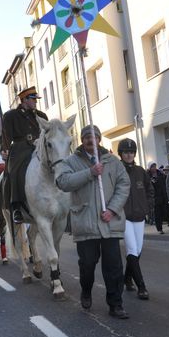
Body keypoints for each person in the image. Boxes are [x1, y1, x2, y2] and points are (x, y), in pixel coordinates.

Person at [56, 125, 130, 319]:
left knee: (114, 267)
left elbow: (123, 185)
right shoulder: (71, 161)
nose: (91, 140)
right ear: (82, 140)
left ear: (99, 139)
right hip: (85, 223)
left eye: (94, 136)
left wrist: (113, 209)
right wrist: (90, 173)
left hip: (109, 223)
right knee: (87, 265)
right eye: (87, 137)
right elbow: (62, 182)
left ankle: (116, 304)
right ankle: (86, 291)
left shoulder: (113, 161)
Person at [1, 86, 49, 223]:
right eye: (33, 99)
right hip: (20, 148)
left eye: (36, 99)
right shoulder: (11, 116)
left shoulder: (41, 116)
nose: (36, 102)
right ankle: (16, 206)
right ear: (24, 100)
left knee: (55, 164)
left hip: (40, 147)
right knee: (15, 171)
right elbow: (5, 135)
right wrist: (4, 148)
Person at [118, 138, 153, 300]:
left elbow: (149, 190)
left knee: (137, 250)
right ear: (121, 154)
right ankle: (142, 287)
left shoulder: (141, 171)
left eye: (131, 152)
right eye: (126, 152)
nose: (129, 155)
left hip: (139, 215)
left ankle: (127, 278)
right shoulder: (117, 169)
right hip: (124, 216)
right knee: (132, 249)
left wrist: (147, 207)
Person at [147, 162, 167, 234]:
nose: (154, 168)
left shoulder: (161, 174)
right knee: (157, 214)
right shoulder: (147, 176)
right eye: (152, 167)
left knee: (166, 211)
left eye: (155, 166)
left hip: (163, 196)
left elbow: (165, 183)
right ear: (149, 168)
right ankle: (159, 228)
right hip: (154, 198)